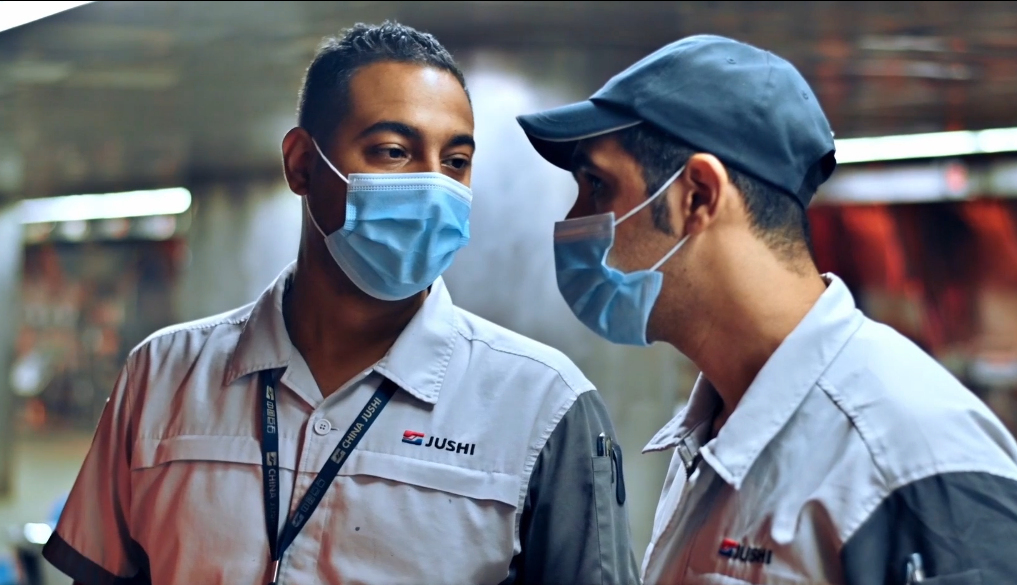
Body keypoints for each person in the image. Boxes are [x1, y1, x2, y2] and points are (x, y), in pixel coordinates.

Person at [43, 21, 640, 585]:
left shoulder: (544, 405)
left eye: (455, 162)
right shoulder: (162, 375)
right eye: (393, 151)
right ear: (302, 164)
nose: (433, 185)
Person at [517, 34, 1017, 585]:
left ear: (699, 195)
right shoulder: (716, 430)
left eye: (597, 185)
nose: (575, 220)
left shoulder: (908, 460)